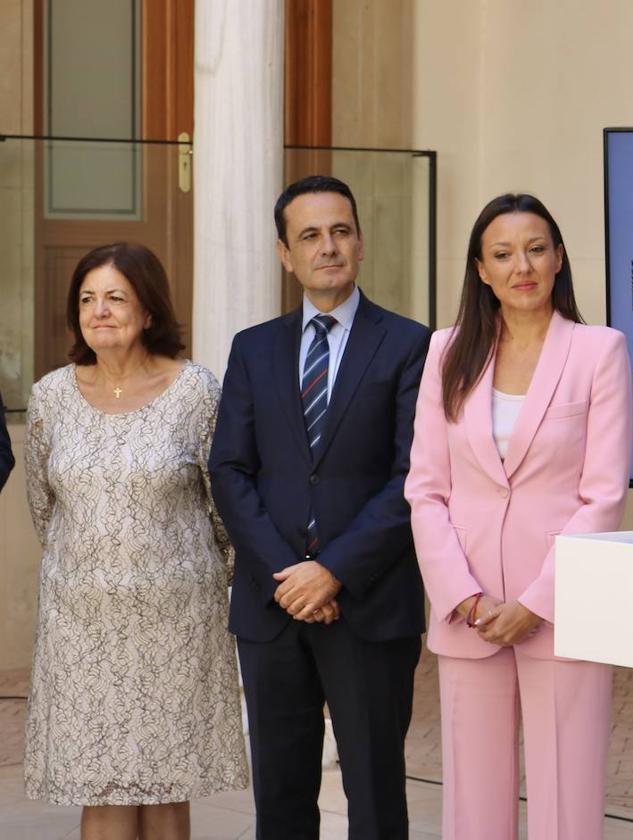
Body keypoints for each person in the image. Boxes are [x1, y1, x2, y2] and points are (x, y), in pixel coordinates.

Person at [209, 174, 430, 839]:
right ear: (286, 253)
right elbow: (229, 469)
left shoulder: (410, 344)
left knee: (376, 797)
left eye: (340, 231)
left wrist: (331, 570)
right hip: (273, 606)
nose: (327, 247)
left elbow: (413, 475)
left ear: (360, 242)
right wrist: (289, 574)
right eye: (310, 235)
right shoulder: (254, 348)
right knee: (279, 798)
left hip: (369, 602)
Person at [406, 193, 632, 840]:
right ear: (480, 269)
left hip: (563, 608)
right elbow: (426, 490)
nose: (521, 266)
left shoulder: (598, 351)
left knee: (568, 795)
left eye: (535, 249)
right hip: (468, 611)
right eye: (502, 254)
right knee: (473, 805)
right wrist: (465, 598)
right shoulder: (447, 352)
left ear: (559, 258)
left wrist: (537, 601)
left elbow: (603, 495)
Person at [23, 242, 247, 839]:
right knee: (103, 789)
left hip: (176, 619)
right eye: (87, 299)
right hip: (82, 622)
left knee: (166, 789)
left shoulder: (196, 391)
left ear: (148, 310)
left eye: (116, 297)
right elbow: (46, 511)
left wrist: (191, 578)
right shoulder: (49, 399)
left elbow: (224, 508)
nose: (99, 310)